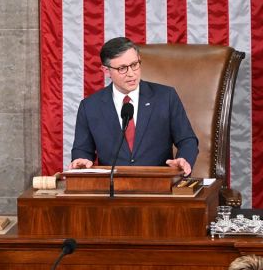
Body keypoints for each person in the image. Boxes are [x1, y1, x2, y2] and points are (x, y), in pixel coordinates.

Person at [70, 36, 198, 175]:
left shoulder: (165, 97)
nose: (131, 73)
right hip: (112, 188)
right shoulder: (90, 107)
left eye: (134, 65)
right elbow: (82, 150)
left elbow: (187, 140)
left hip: (160, 186)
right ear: (106, 71)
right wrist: (80, 160)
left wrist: (183, 159)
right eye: (122, 68)